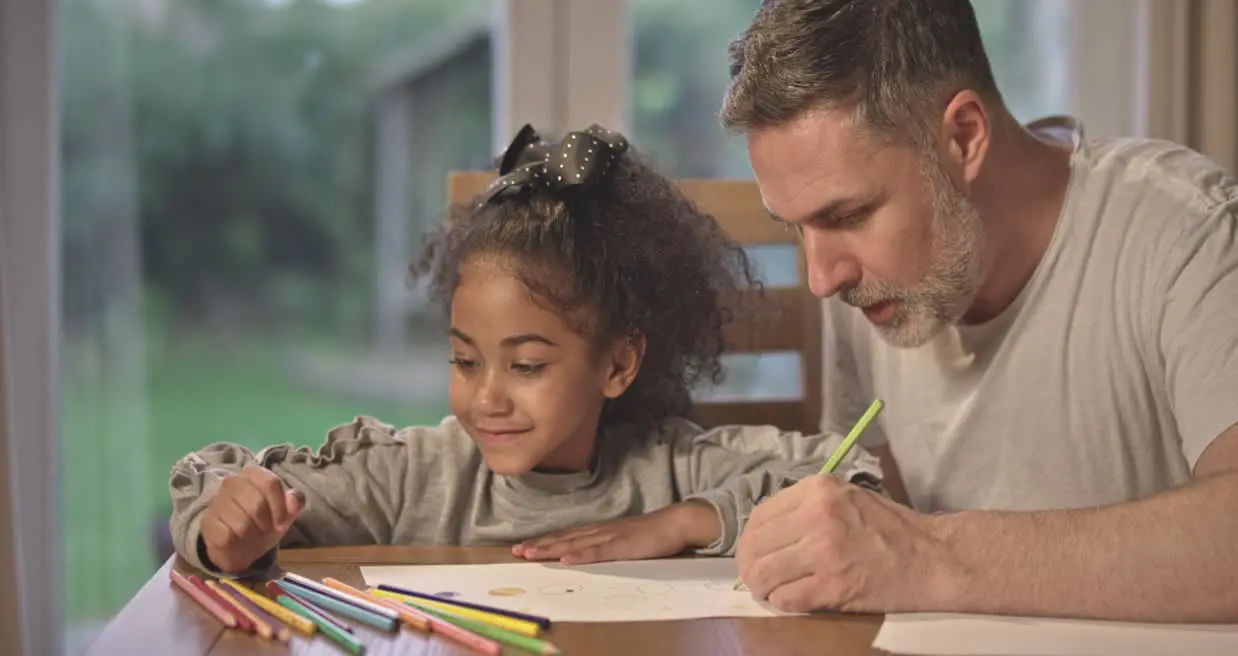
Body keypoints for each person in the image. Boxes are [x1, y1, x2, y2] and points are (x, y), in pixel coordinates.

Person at [721, 0, 1238, 623]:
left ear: (963, 137)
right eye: (794, 226)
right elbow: (876, 511)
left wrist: (932, 556)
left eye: (848, 214)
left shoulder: (1183, 230)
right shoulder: (862, 285)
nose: (820, 276)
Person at [167, 123, 883, 577]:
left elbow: (853, 477)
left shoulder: (671, 469)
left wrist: (682, 522)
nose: (487, 398)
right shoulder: (418, 479)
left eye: (527, 365)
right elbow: (214, 489)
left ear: (617, 363)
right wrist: (227, 531)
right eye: (465, 360)